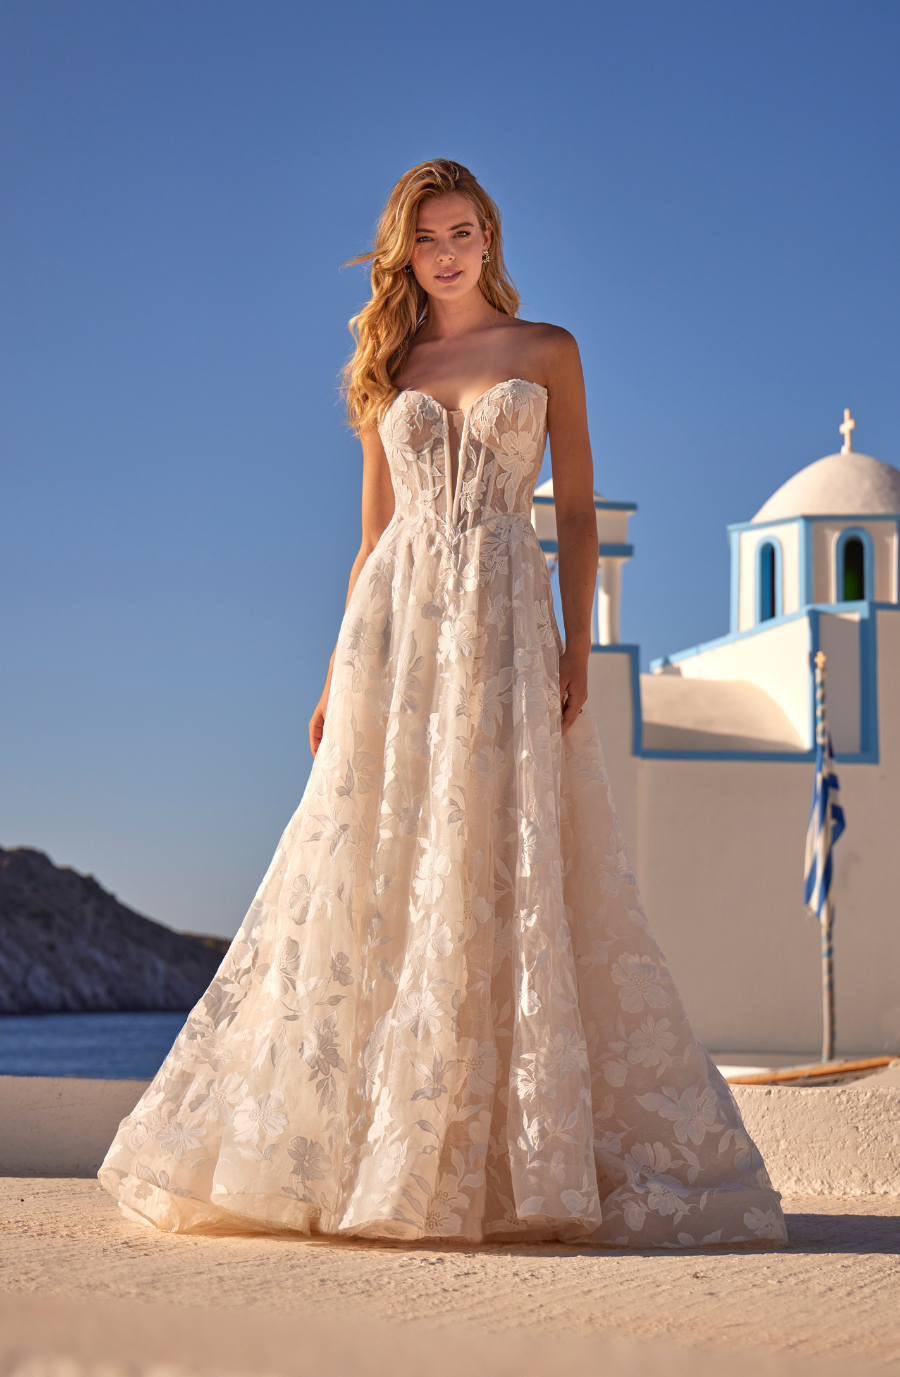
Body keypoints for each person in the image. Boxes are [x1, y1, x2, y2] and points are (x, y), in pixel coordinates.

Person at [99, 160, 787, 1248]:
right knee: (385, 859)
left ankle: (499, 1164)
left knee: (498, 860)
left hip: (509, 623)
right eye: (428, 239)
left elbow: (573, 519)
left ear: (490, 236)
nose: (449, 251)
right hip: (400, 633)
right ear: (404, 254)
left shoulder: (546, 350)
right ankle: (377, 1151)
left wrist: (579, 649)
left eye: (464, 231)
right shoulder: (392, 367)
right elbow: (373, 538)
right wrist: (334, 676)